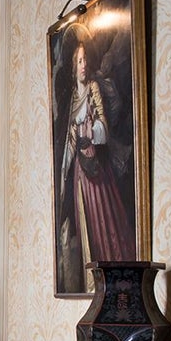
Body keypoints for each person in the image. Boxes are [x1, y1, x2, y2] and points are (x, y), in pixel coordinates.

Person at [57, 37, 135, 293]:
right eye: (79, 61)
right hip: (81, 171)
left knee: (105, 218)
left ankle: (117, 281)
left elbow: (103, 124)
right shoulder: (72, 102)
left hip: (97, 169)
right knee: (87, 222)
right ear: (72, 66)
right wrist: (63, 173)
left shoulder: (92, 88)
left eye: (85, 60)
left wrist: (91, 133)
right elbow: (69, 140)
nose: (83, 64)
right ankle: (95, 284)